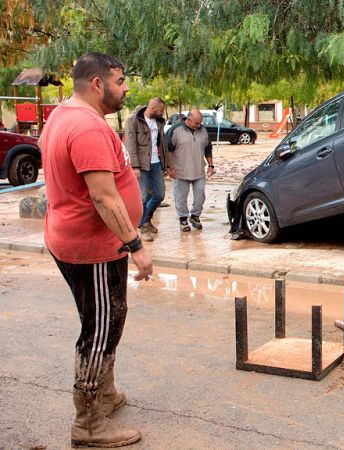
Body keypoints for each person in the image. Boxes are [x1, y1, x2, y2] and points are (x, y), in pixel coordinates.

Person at [39, 52, 152, 447]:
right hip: (94, 249)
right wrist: (136, 245)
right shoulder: (87, 128)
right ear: (98, 84)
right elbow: (104, 198)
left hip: (77, 239)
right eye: (121, 82)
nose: (126, 89)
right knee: (101, 329)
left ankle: (103, 393)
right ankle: (88, 422)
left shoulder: (63, 114)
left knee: (104, 319)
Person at [124, 97, 168, 242]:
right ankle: (142, 226)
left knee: (159, 194)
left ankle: (146, 218)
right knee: (142, 197)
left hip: (155, 164)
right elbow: (131, 145)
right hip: (141, 165)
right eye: (161, 110)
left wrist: (165, 165)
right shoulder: (133, 120)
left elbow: (162, 144)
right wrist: (135, 166)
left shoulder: (160, 122)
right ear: (153, 108)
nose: (163, 113)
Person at [165, 109, 214, 231]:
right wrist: (170, 168)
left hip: (198, 171)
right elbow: (168, 150)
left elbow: (208, 148)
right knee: (180, 197)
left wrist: (211, 165)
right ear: (189, 119)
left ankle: (195, 216)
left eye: (200, 123)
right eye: (196, 123)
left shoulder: (203, 131)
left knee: (200, 196)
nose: (199, 126)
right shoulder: (175, 130)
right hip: (180, 171)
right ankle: (183, 220)